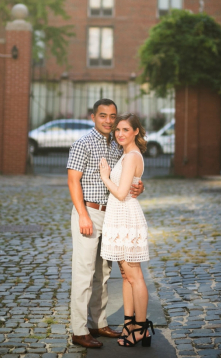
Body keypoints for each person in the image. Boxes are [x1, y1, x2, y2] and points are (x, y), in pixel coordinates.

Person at [67, 99, 144, 349]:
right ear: (93, 117)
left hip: (112, 215)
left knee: (103, 273)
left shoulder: (116, 144)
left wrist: (139, 186)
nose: (109, 121)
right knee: (84, 273)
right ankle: (79, 330)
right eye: (103, 116)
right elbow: (72, 182)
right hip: (89, 212)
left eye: (113, 116)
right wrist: (83, 215)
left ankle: (97, 323)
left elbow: (127, 175)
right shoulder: (83, 144)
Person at [99, 114, 154, 347]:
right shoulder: (126, 155)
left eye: (125, 129)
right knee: (125, 276)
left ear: (136, 132)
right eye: (118, 130)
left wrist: (104, 177)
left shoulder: (131, 156)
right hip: (119, 217)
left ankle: (141, 328)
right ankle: (129, 323)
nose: (120, 133)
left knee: (135, 275)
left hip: (126, 218)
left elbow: (121, 194)